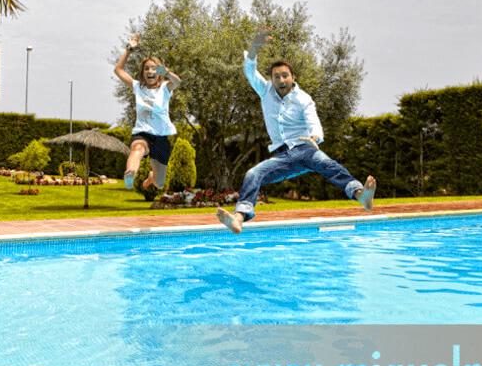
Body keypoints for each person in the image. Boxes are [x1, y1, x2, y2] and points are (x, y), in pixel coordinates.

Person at [216, 27, 376, 234]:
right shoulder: (265, 91)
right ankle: (237, 218)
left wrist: (315, 136)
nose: (281, 80)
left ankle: (362, 196)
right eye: (276, 77)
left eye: (285, 76)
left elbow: (314, 122)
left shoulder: (304, 99)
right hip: (282, 156)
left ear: (292, 77)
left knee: (329, 166)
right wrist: (254, 47)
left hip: (305, 148)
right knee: (253, 173)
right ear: (271, 80)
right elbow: (249, 71)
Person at [114, 35, 181, 190]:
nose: (150, 71)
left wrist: (168, 72)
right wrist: (129, 48)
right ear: (143, 72)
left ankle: (151, 178)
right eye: (146, 68)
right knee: (137, 149)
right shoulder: (137, 87)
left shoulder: (165, 87)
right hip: (142, 133)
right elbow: (118, 70)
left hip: (161, 137)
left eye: (154, 68)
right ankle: (130, 173)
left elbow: (177, 82)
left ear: (159, 72)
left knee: (159, 184)